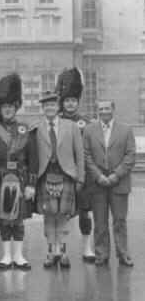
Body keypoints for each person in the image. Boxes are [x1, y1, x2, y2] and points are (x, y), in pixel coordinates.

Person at [0, 74, 37, 271]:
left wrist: (31, 184)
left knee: (19, 220)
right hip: (0, 179)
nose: (8, 110)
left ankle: (19, 255)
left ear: (16, 108)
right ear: (0, 109)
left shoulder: (26, 129)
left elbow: (33, 160)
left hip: (21, 180)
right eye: (4, 107)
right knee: (4, 220)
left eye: (11, 107)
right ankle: (6, 255)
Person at [35, 91, 84, 269]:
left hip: (67, 175)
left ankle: (62, 252)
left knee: (63, 215)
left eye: (52, 105)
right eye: (46, 105)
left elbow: (80, 155)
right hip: (45, 176)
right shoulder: (36, 128)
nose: (49, 108)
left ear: (58, 107)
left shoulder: (71, 126)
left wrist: (81, 178)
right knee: (49, 216)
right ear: (43, 108)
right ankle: (50, 252)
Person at [83, 100, 135, 267]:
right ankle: (101, 254)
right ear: (97, 111)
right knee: (100, 221)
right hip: (97, 183)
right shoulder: (89, 130)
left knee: (120, 220)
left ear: (113, 109)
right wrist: (98, 176)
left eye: (107, 108)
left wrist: (115, 175)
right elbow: (86, 155)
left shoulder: (126, 130)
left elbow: (130, 156)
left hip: (119, 182)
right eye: (100, 109)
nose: (104, 111)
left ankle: (123, 254)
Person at [56, 67, 95, 262]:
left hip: (83, 175)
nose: (70, 104)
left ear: (78, 102)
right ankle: (61, 250)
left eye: (73, 101)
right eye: (67, 101)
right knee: (62, 214)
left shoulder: (86, 123)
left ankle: (87, 248)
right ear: (62, 103)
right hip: (63, 175)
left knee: (85, 213)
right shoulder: (56, 122)